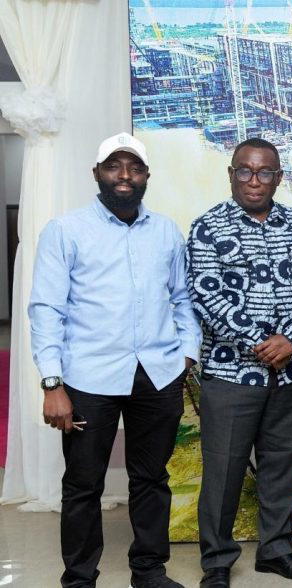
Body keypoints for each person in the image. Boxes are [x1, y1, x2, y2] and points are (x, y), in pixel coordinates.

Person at [29, 132, 202, 588]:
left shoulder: (165, 230)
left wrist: (187, 354)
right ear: (97, 173)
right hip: (88, 377)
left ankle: (149, 571)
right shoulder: (65, 230)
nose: (124, 175)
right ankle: (79, 579)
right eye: (113, 166)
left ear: (146, 175)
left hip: (158, 375)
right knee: (83, 484)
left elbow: (182, 298)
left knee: (152, 478)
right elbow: (46, 309)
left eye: (134, 167)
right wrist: (52, 383)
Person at [187, 138, 292, 587]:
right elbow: (204, 292)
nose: (254, 180)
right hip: (231, 373)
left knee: (282, 465)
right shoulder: (208, 227)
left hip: (290, 372)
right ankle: (216, 561)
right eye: (245, 171)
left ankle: (276, 551)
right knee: (224, 470)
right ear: (231, 174)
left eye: (264, 172)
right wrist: (260, 341)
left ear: (278, 177)